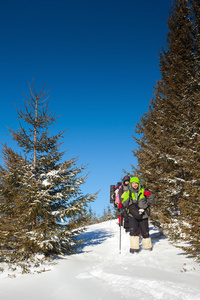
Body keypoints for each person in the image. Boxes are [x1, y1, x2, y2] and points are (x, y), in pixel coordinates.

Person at [119, 176, 155, 253]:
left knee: (145, 232)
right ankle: (134, 249)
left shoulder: (143, 191)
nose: (135, 185)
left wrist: (149, 195)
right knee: (133, 232)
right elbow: (125, 202)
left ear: (138, 184)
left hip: (144, 214)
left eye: (136, 183)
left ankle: (147, 248)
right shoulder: (128, 193)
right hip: (132, 215)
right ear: (131, 184)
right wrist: (121, 205)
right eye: (133, 183)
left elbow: (152, 201)